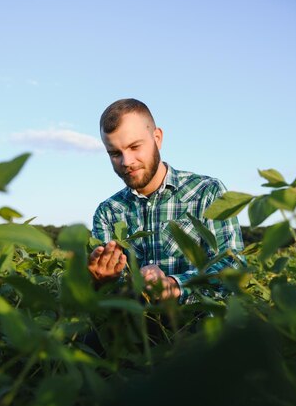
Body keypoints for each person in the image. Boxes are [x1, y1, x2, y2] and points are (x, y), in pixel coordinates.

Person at [88, 98, 245, 303]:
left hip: (196, 325)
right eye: (115, 153)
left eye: (134, 147)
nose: (126, 161)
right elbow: (111, 295)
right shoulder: (108, 212)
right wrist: (100, 282)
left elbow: (232, 267)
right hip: (138, 329)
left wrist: (173, 285)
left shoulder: (207, 192)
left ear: (157, 138)